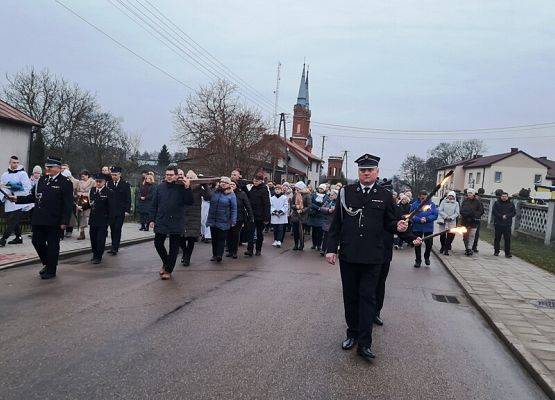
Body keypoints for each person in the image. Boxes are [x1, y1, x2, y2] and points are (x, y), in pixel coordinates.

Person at [325, 153, 420, 362]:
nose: (366, 173)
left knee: (367, 298)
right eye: (362, 170)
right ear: (359, 172)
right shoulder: (345, 192)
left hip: (373, 257)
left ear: (377, 172)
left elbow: (391, 222)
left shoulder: (385, 195)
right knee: (350, 297)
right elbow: (336, 224)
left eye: (370, 170)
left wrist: (401, 228)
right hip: (349, 255)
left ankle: (365, 343)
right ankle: (352, 334)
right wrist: (330, 248)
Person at [9, 156, 73, 279]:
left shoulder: (65, 182)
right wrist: (17, 199)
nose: (47, 168)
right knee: (36, 241)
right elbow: (32, 196)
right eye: (46, 166)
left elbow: (68, 204)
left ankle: (51, 270)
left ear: (58, 168)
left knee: (53, 245)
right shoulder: (42, 180)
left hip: (55, 220)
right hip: (39, 219)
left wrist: (64, 221)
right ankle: (47, 263)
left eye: (50, 167)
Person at [149, 166, 193, 279]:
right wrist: (151, 219)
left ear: (176, 175)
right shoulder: (160, 187)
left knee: (174, 247)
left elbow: (189, 202)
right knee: (158, 243)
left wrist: (188, 187)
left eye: (171, 174)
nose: (169, 176)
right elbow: (154, 205)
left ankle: (168, 270)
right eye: (167, 174)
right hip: (162, 219)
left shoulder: (182, 187)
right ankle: (166, 262)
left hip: (176, 221)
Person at [0, 155, 32, 247]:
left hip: (20, 201)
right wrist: (5, 195)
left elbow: (27, 188)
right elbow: (3, 187)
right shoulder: (5, 174)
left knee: (13, 220)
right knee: (13, 221)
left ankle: (3, 239)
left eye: (17, 163)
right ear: (10, 163)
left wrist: (17, 190)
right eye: (14, 162)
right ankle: (19, 238)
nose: (16, 164)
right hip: (9, 201)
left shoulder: (23, 174)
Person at [181, 170, 211, 266]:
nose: (190, 179)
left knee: (191, 238)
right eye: (188, 178)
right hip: (183, 215)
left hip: (194, 216)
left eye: (192, 178)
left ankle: (187, 258)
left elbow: (208, 197)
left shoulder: (199, 189)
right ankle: (185, 253)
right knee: (180, 238)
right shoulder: (182, 187)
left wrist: (205, 185)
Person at [206, 177, 237, 262]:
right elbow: (208, 197)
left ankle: (219, 255)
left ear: (228, 184)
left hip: (224, 220)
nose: (223, 183)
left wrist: (233, 221)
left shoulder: (231, 194)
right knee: (214, 238)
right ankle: (214, 254)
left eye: (225, 182)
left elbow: (234, 209)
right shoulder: (215, 192)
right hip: (213, 219)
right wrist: (206, 186)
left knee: (221, 239)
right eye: (221, 182)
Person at [87, 173, 115, 264]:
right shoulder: (92, 190)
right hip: (93, 219)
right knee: (93, 238)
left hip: (103, 219)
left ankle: (98, 256)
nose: (98, 183)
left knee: (100, 239)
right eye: (97, 181)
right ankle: (94, 254)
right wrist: (82, 206)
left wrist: (110, 221)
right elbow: (89, 203)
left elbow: (111, 208)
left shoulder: (109, 192)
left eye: (100, 181)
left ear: (104, 182)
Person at [410, 190, 438, 267]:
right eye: (421, 197)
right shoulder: (415, 204)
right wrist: (419, 219)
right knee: (417, 244)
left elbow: (435, 215)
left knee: (429, 244)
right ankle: (418, 260)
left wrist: (427, 219)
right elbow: (411, 215)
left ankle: (427, 257)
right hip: (417, 227)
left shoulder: (432, 205)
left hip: (428, 227)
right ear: (419, 196)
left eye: (424, 197)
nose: (423, 198)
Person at [107, 166, 131, 255]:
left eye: (115, 175)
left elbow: (128, 198)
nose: (113, 176)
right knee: (112, 229)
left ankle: (115, 247)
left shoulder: (125, 184)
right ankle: (113, 246)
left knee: (117, 228)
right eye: (112, 175)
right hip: (111, 211)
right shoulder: (109, 183)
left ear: (119, 174)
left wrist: (127, 210)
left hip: (121, 211)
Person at [245, 173, 270, 257]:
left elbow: (267, 204)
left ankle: (258, 250)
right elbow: (249, 197)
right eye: (254, 180)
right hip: (252, 214)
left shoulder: (264, 189)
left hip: (261, 215)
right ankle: (250, 250)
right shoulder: (253, 188)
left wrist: (266, 217)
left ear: (261, 181)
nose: (255, 182)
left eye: (257, 181)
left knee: (259, 233)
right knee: (250, 233)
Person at [226, 180, 252, 258]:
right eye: (230, 184)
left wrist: (250, 216)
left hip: (239, 217)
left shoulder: (242, 193)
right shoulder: (226, 193)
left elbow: (247, 205)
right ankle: (230, 251)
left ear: (236, 185)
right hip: (227, 217)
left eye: (233, 184)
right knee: (228, 234)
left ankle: (234, 252)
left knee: (235, 234)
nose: (232, 185)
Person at [460, 188, 484, 256]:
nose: (469, 194)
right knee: (465, 236)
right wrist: (467, 215)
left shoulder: (478, 202)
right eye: (468, 193)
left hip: (474, 222)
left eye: (470, 193)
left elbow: (481, 211)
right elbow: (462, 210)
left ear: (473, 194)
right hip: (465, 221)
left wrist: (473, 215)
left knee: (472, 235)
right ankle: (467, 247)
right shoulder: (465, 201)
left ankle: (469, 249)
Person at [492, 192, 516, 258]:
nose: (504, 197)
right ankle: (496, 251)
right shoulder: (497, 203)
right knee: (497, 238)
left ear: (507, 197)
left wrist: (507, 216)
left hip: (507, 224)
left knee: (507, 239)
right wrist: (501, 216)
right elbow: (494, 212)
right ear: (500, 197)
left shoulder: (511, 204)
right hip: (498, 223)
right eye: (502, 196)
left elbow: (513, 213)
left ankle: (507, 253)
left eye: (505, 196)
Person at [74, 170, 95, 240]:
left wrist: (86, 194)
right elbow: (76, 190)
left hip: (89, 200)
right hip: (81, 200)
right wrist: (79, 194)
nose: (82, 177)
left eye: (83, 176)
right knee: (81, 216)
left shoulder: (93, 182)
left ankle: (94, 231)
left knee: (89, 216)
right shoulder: (79, 182)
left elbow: (95, 191)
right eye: (81, 176)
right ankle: (82, 232)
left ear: (87, 175)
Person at [308, 183, 329, 251]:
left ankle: (319, 245)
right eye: (320, 188)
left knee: (320, 231)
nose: (320, 190)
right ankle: (314, 244)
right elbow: (311, 203)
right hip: (314, 214)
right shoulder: (314, 195)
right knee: (314, 231)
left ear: (324, 189)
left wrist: (321, 208)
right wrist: (318, 208)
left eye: (322, 189)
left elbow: (325, 203)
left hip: (321, 215)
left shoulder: (326, 196)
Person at [438, 191, 460, 256]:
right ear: (447, 196)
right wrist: (446, 216)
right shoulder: (443, 202)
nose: (450, 197)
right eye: (449, 196)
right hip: (443, 220)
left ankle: (446, 249)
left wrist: (451, 217)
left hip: (451, 221)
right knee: (442, 235)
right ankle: (442, 246)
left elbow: (457, 212)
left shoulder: (456, 203)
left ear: (454, 197)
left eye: (452, 196)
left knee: (450, 235)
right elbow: (440, 210)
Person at [319, 190, 337, 255]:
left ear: (336, 195)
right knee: (326, 236)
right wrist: (328, 210)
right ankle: (323, 250)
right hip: (328, 221)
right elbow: (322, 208)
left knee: (333, 237)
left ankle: (331, 250)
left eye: (332, 195)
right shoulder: (328, 201)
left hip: (335, 222)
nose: (330, 196)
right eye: (330, 195)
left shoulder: (338, 202)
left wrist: (335, 210)